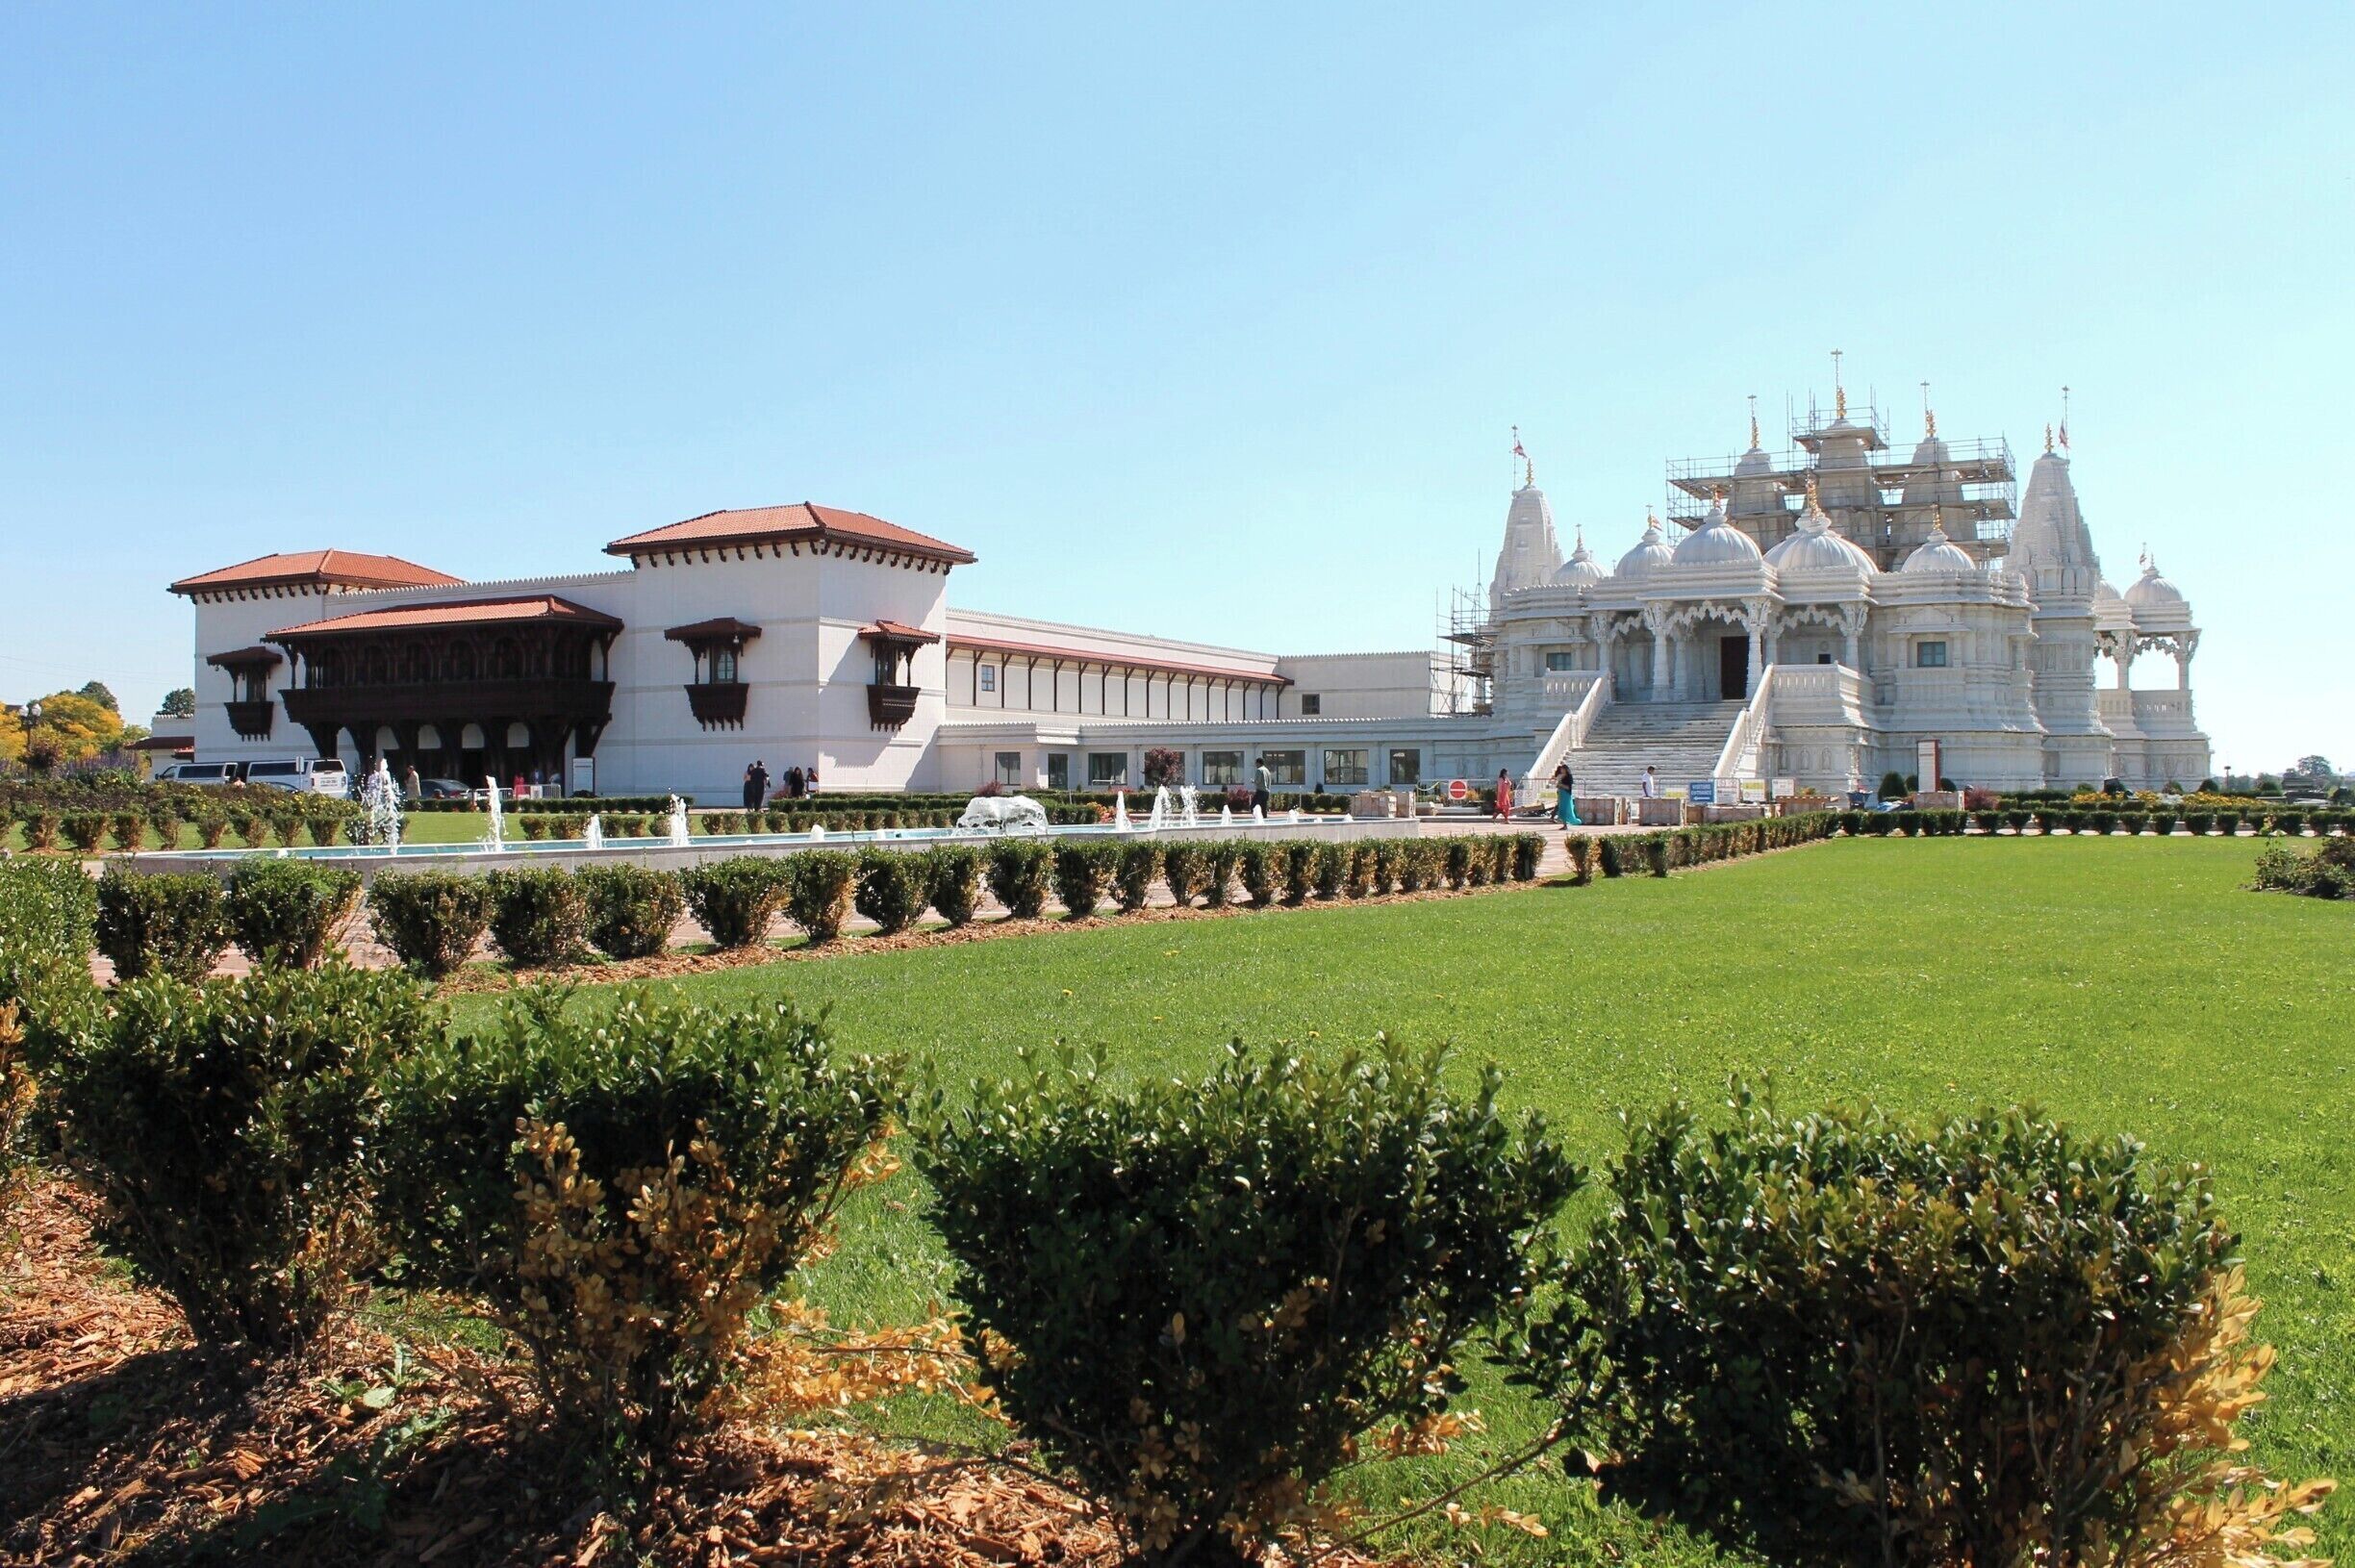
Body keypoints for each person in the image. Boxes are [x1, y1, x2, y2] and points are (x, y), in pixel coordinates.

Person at [1552, 761, 1581, 828]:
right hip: (1561, 794)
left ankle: (1571, 822)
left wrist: (1561, 785)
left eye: (1563, 769)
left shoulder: (1569, 777)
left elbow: (1568, 787)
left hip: (1566, 794)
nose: (1561, 770)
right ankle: (1565, 825)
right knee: (1561, 809)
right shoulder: (1561, 776)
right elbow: (1558, 785)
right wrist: (1559, 785)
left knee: (1566, 809)